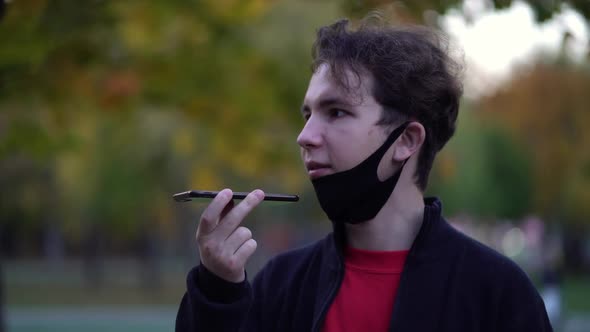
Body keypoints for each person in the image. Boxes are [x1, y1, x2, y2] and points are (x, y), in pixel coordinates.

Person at [176, 18, 552, 332]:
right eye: (308, 114)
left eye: (336, 112)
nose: (304, 137)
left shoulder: (498, 294)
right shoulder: (281, 285)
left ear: (406, 140)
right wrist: (217, 293)